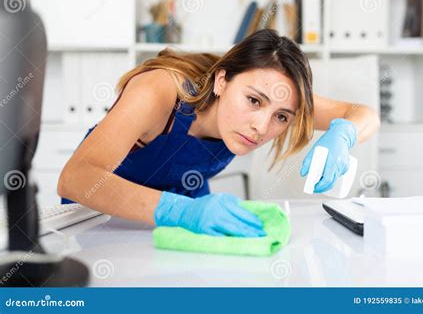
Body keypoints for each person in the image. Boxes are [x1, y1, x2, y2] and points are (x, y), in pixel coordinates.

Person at [58, 29, 380, 237]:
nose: (262, 127)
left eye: (281, 117)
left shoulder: (278, 97)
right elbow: (77, 178)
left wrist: (344, 133)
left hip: (182, 227)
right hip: (98, 224)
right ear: (222, 81)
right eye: (254, 100)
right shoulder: (159, 90)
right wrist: (180, 211)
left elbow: (366, 115)